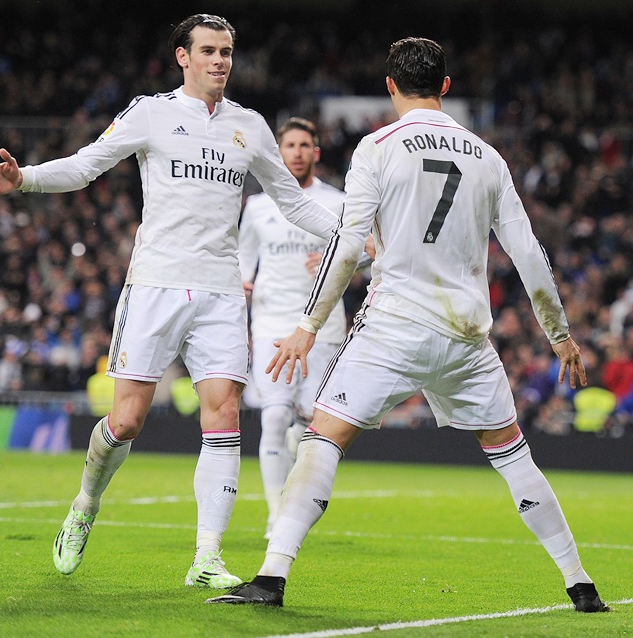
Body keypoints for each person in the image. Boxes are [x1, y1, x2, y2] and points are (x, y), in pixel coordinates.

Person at [206, 37, 609, 612]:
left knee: (323, 436)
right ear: (445, 86)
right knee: (513, 455)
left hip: (394, 326)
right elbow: (528, 254)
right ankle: (581, 583)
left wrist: (307, 324)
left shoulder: (376, 148)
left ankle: (271, 576)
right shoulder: (488, 157)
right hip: (468, 338)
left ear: (390, 86)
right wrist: (561, 336)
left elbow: (347, 249)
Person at [0, 14, 339, 589]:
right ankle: (85, 502)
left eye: (226, 52)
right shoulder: (150, 113)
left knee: (223, 415)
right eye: (208, 51)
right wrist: (24, 179)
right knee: (126, 421)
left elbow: (293, 204)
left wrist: (352, 234)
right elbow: (85, 166)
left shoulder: (249, 126)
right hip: (154, 285)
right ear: (183, 56)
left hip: (223, 291)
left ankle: (207, 557)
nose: (220, 61)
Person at [238, 117, 347, 539]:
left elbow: (372, 253)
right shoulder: (259, 205)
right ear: (279, 153)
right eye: (290, 145)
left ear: (316, 152)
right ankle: (275, 514)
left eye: (305, 145)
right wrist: (242, 284)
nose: (298, 152)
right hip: (271, 323)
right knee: (274, 415)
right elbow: (244, 259)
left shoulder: (337, 203)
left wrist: (340, 262)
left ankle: (294, 459)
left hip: (323, 326)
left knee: (308, 422)